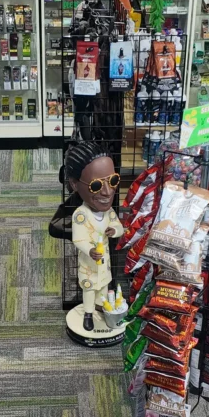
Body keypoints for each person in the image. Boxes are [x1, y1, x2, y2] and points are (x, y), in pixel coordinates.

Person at [65, 142, 124, 332]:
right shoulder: (80, 215)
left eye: (113, 181)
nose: (107, 191)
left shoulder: (109, 213)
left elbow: (118, 226)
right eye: (97, 185)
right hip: (89, 264)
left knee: (104, 287)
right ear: (75, 184)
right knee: (89, 289)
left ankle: (102, 307)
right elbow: (78, 239)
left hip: (104, 263)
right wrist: (89, 250)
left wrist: (115, 230)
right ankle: (88, 314)